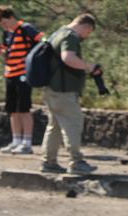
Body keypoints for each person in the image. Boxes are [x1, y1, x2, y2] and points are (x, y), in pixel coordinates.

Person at [41, 14, 101, 175]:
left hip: (51, 89)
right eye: (88, 33)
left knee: (54, 126)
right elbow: (68, 58)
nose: (86, 37)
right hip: (63, 90)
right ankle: (76, 162)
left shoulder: (58, 33)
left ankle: (49, 162)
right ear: (86, 27)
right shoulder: (70, 36)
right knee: (73, 123)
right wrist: (88, 66)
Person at [0, 5, 43, 155]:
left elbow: (42, 42)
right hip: (10, 73)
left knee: (24, 108)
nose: (4, 26)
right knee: (12, 110)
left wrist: (30, 59)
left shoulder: (26, 28)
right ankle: (16, 140)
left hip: (23, 73)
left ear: (10, 17)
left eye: (4, 22)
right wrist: (3, 51)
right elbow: (8, 52)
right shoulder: (7, 34)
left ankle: (27, 143)